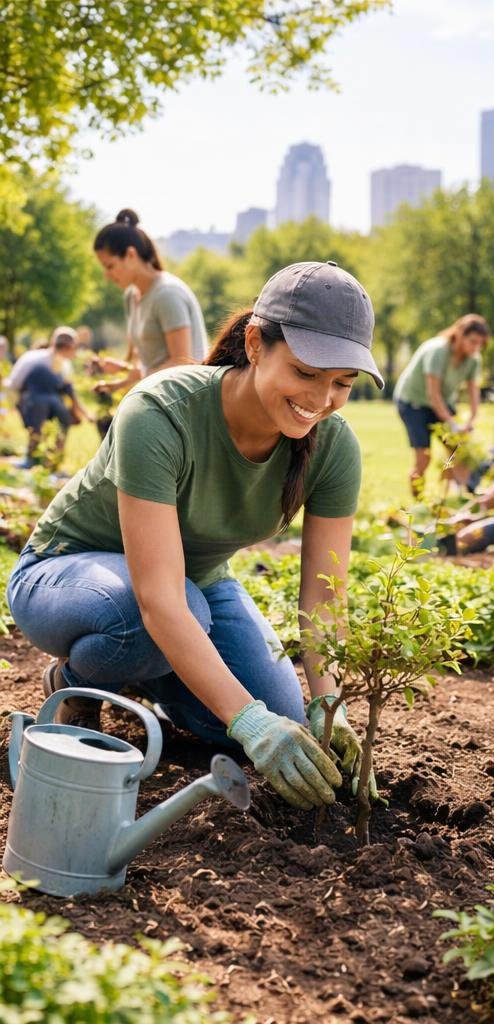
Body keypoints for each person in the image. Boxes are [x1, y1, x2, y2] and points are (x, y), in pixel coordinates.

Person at [6, 261, 382, 811]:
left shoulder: (333, 446)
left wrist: (329, 710)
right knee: (162, 625)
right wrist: (247, 719)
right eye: (306, 372)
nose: (321, 399)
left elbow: (324, 599)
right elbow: (159, 598)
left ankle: (150, 671)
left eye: (343, 383)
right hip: (66, 575)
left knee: (280, 715)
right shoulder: (160, 411)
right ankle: (76, 679)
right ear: (255, 344)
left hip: (192, 589)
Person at [91, 209, 207, 394]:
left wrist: (134, 374)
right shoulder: (131, 296)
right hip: (160, 394)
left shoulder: (167, 294)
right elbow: (153, 364)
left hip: (186, 399)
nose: (107, 275)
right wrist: (121, 377)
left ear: (130, 255)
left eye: (110, 266)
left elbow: (182, 362)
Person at [393, 314, 488, 496]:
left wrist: (472, 420)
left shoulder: (474, 359)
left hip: (442, 403)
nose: (476, 348)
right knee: (424, 457)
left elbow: (474, 392)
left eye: (480, 344)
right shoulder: (438, 351)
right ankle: (418, 501)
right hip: (413, 403)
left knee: (457, 449)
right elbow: (433, 394)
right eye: (472, 342)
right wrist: (452, 423)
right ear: (460, 334)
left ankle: (445, 494)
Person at [9, 327, 85, 467]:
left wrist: (76, 410)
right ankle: (32, 459)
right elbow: (14, 384)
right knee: (37, 426)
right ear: (68, 347)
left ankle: (51, 460)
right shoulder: (33, 359)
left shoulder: (65, 365)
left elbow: (68, 390)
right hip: (32, 401)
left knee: (61, 425)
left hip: (53, 404)